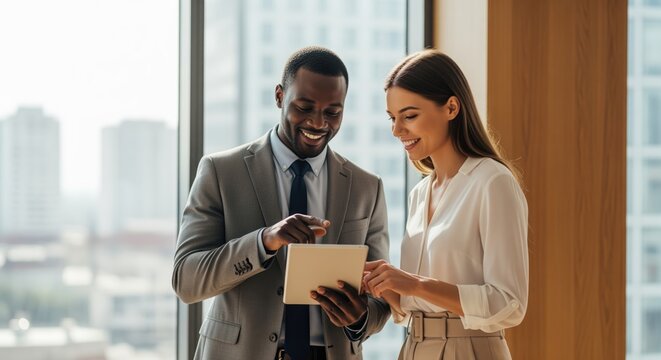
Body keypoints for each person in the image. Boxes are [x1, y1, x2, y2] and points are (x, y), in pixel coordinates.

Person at [172, 46, 391, 360]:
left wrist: (359, 319)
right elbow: (186, 280)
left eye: (333, 112)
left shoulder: (367, 187)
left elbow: (381, 299)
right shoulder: (221, 171)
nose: (318, 123)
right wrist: (265, 241)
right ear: (279, 96)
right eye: (304, 107)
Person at [363, 50, 528, 359]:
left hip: (470, 349)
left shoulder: (492, 182)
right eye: (393, 118)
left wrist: (415, 284)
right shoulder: (420, 193)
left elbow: (509, 303)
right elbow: (412, 304)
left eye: (409, 116)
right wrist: (385, 286)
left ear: (451, 107)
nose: (397, 130)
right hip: (414, 347)